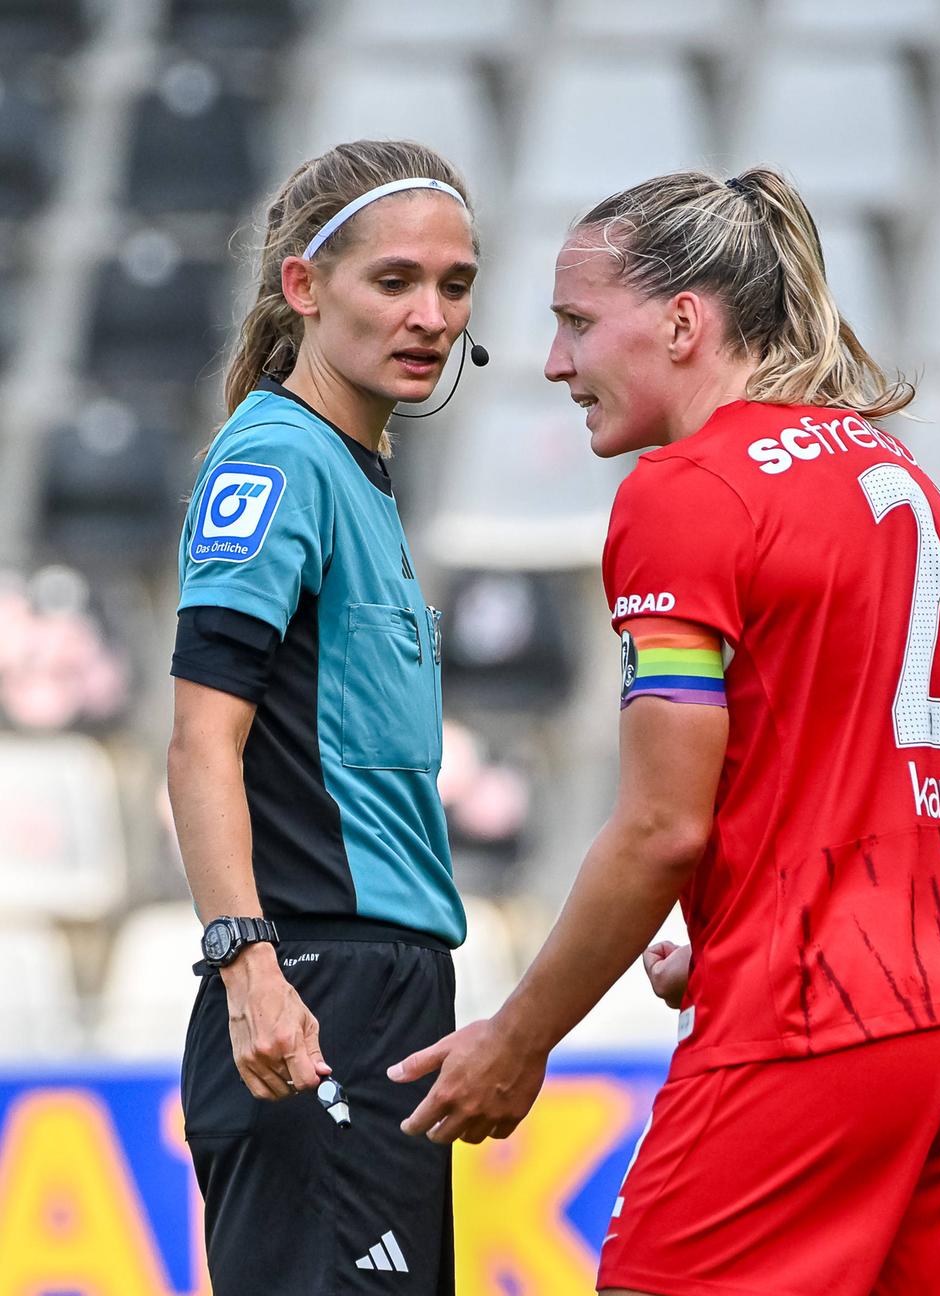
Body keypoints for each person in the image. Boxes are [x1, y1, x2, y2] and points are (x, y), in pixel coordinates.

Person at [388, 167, 940, 1295]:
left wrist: (520, 1037)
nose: (555, 363)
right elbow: (902, 782)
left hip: (819, 1025)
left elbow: (659, 829)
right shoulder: (903, 481)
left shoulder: (686, 491)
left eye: (577, 324)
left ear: (684, 322)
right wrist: (753, 915)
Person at [167, 138, 481, 1296]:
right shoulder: (278, 458)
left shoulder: (354, 469)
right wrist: (248, 966)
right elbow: (203, 740)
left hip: (382, 984)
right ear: (305, 286)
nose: (431, 315)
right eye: (393, 282)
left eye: (455, 286)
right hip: (308, 985)